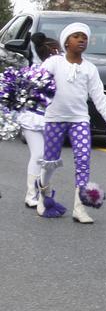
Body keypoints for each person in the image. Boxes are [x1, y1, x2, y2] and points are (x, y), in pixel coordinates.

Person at [35, 22, 106, 223]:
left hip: (79, 120)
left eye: (85, 37)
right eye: (76, 36)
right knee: (49, 163)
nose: (82, 40)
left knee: (83, 160)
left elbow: (99, 97)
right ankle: (43, 195)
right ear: (66, 42)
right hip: (54, 119)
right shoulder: (54, 62)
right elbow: (36, 81)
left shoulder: (90, 68)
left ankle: (79, 208)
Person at [19, 36, 54, 208]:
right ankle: (30, 195)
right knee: (39, 154)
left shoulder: (63, 71)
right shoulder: (35, 72)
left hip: (52, 121)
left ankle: (44, 192)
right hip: (33, 119)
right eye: (57, 52)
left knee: (49, 159)